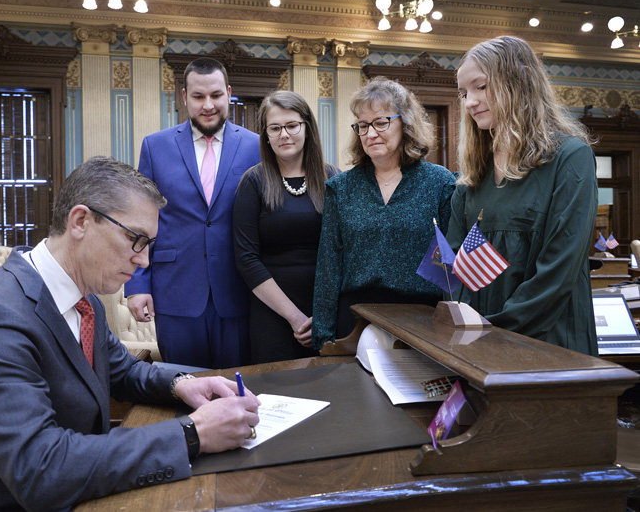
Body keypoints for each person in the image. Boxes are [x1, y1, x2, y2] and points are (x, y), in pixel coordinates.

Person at [0, 157, 261, 512]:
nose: (144, 260)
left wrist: (182, 383)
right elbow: (40, 470)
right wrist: (192, 434)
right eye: (136, 239)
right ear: (81, 221)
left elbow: (123, 371)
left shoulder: (86, 302)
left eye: (149, 244)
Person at [449, 36, 598, 355]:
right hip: (479, 341)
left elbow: (559, 268)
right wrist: (469, 327)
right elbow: (455, 266)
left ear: (520, 80)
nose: (470, 101)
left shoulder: (570, 158)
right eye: (463, 93)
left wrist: (497, 330)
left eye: (481, 86)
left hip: (550, 341)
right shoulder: (472, 175)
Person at [125, 57, 260, 369]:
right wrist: (137, 285)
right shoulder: (155, 146)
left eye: (215, 95)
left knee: (238, 387)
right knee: (183, 389)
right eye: (198, 97)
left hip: (239, 292)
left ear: (228, 93)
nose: (208, 105)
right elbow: (139, 222)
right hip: (175, 292)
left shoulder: (256, 147)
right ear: (184, 97)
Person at [312, 77, 456, 350]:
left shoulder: (439, 182)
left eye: (381, 122)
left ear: (406, 124)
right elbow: (328, 266)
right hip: (354, 320)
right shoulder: (340, 188)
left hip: (422, 320)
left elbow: (452, 265)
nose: (370, 133)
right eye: (363, 126)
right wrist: (323, 336)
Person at [233, 90, 339, 363]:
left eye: (292, 125)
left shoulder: (333, 178)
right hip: (273, 315)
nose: (284, 134)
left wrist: (325, 314)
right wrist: (295, 318)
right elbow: (246, 259)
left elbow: (346, 251)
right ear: (265, 135)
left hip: (327, 313)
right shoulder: (253, 182)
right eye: (275, 128)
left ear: (307, 127)